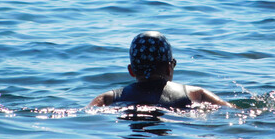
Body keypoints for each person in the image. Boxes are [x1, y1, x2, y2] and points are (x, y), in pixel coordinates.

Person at [88, 31, 235, 109]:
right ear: (168, 67)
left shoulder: (108, 98)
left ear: (131, 70)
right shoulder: (196, 94)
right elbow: (232, 111)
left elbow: (86, 115)